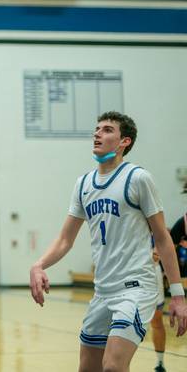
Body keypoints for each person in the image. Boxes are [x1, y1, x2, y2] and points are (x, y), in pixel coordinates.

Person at [29, 112, 187, 372]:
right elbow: (65, 239)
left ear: (125, 141)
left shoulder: (138, 178)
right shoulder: (83, 184)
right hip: (103, 291)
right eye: (97, 129)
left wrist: (178, 296)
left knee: (113, 366)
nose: (97, 134)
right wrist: (39, 264)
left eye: (106, 130)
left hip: (136, 287)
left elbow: (162, 237)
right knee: (88, 368)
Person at [150, 244, 166, 372]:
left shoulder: (155, 226)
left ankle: (160, 362)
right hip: (124, 274)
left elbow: (158, 253)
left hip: (151, 275)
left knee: (156, 321)